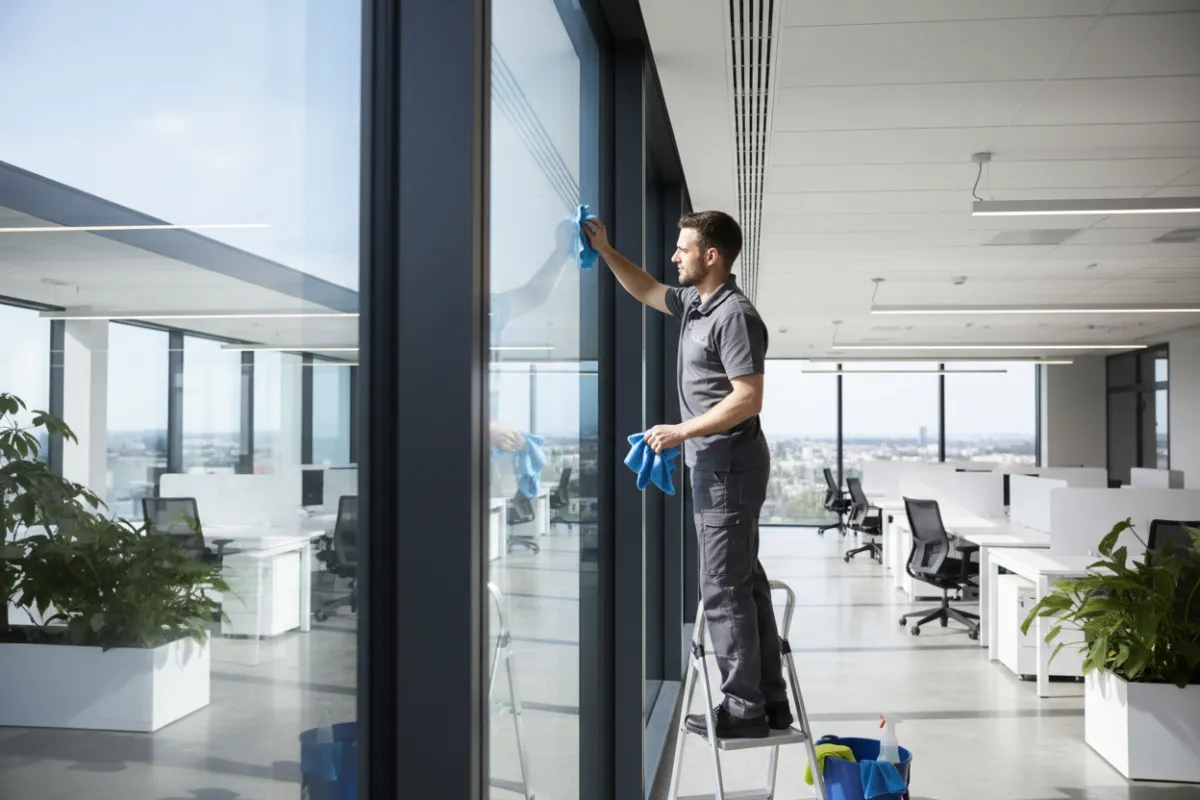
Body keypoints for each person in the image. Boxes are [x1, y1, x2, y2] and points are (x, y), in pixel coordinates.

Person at [584, 210, 785, 739]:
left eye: (683, 248)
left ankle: (743, 711)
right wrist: (606, 250)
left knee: (721, 587)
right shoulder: (697, 304)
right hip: (718, 465)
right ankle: (770, 701)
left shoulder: (733, 316)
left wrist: (681, 432)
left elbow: (748, 397)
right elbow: (647, 288)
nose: (674, 256)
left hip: (727, 467)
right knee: (745, 581)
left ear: (711, 256)